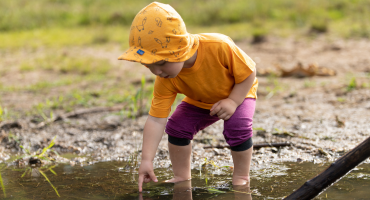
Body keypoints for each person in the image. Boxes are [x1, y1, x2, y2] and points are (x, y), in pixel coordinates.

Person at [118, 2, 258, 193]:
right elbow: (156, 120)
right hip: (199, 100)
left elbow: (249, 72)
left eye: (160, 63)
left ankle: (241, 177)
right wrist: (146, 160)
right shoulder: (165, 78)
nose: (156, 72)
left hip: (238, 92)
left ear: (180, 49)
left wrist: (233, 101)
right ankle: (182, 176)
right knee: (177, 126)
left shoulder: (219, 46)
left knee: (237, 126)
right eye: (148, 65)